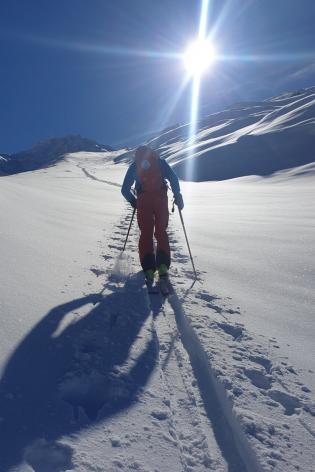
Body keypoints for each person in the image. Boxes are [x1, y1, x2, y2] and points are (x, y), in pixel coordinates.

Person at [121, 145, 184, 283]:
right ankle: (162, 266)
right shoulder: (160, 162)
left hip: (144, 201)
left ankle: (149, 268)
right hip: (161, 199)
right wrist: (177, 194)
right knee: (161, 231)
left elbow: (124, 189)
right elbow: (173, 178)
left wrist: (134, 201)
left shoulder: (134, 166)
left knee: (146, 233)